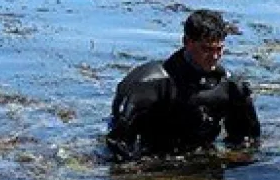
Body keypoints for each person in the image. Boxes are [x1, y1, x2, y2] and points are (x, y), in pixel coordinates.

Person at [107, 9, 260, 160]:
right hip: (152, 160)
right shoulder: (149, 85)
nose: (214, 57)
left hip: (202, 162)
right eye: (206, 49)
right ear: (187, 42)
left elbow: (247, 140)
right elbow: (118, 143)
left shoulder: (230, 87)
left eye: (219, 49)